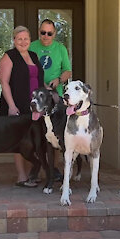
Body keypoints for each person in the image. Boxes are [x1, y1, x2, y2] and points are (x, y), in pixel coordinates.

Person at [0, 25, 44, 187]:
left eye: (26, 39)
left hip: (35, 105)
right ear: (14, 40)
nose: (23, 42)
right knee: (19, 140)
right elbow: (4, 82)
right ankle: (22, 176)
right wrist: (11, 106)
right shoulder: (9, 56)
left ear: (30, 40)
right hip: (17, 103)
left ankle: (33, 173)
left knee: (34, 139)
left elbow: (37, 78)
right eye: (19, 39)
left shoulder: (33, 55)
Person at [29, 19, 72, 181]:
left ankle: (53, 169)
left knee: (56, 135)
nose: (46, 36)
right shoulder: (32, 46)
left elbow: (68, 71)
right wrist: (40, 83)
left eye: (49, 33)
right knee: (36, 134)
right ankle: (35, 170)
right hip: (36, 97)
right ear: (39, 32)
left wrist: (59, 80)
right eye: (43, 33)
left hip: (55, 98)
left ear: (54, 34)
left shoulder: (60, 49)